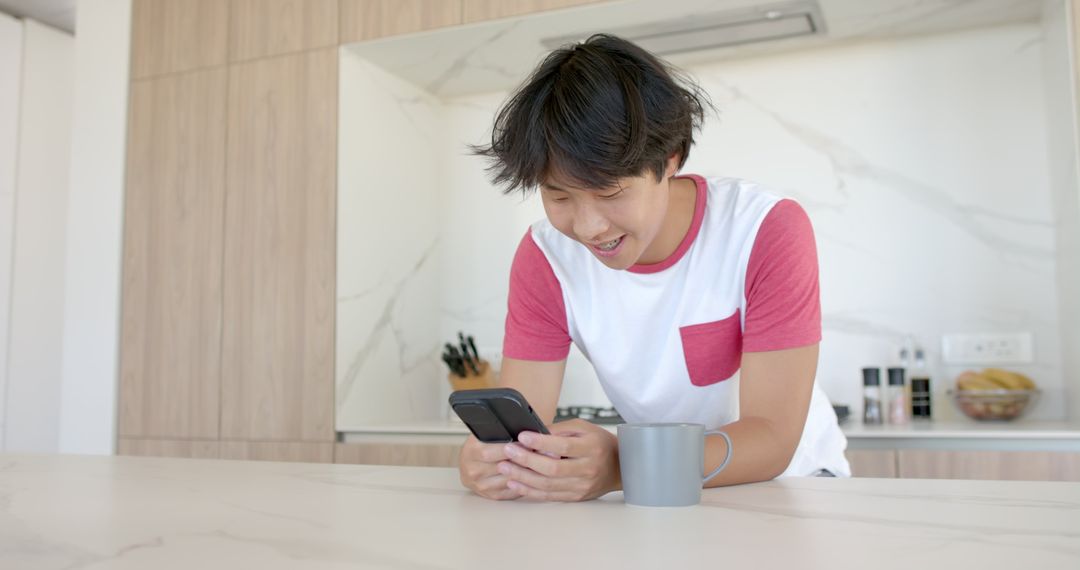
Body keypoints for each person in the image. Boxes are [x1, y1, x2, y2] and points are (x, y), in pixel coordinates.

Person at [459, 33, 849, 502]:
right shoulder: (546, 257)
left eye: (610, 193)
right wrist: (498, 461)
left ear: (669, 161)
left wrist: (624, 464)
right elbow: (522, 424)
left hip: (793, 487)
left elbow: (771, 438)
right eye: (558, 195)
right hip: (656, 490)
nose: (587, 226)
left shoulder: (764, 228)